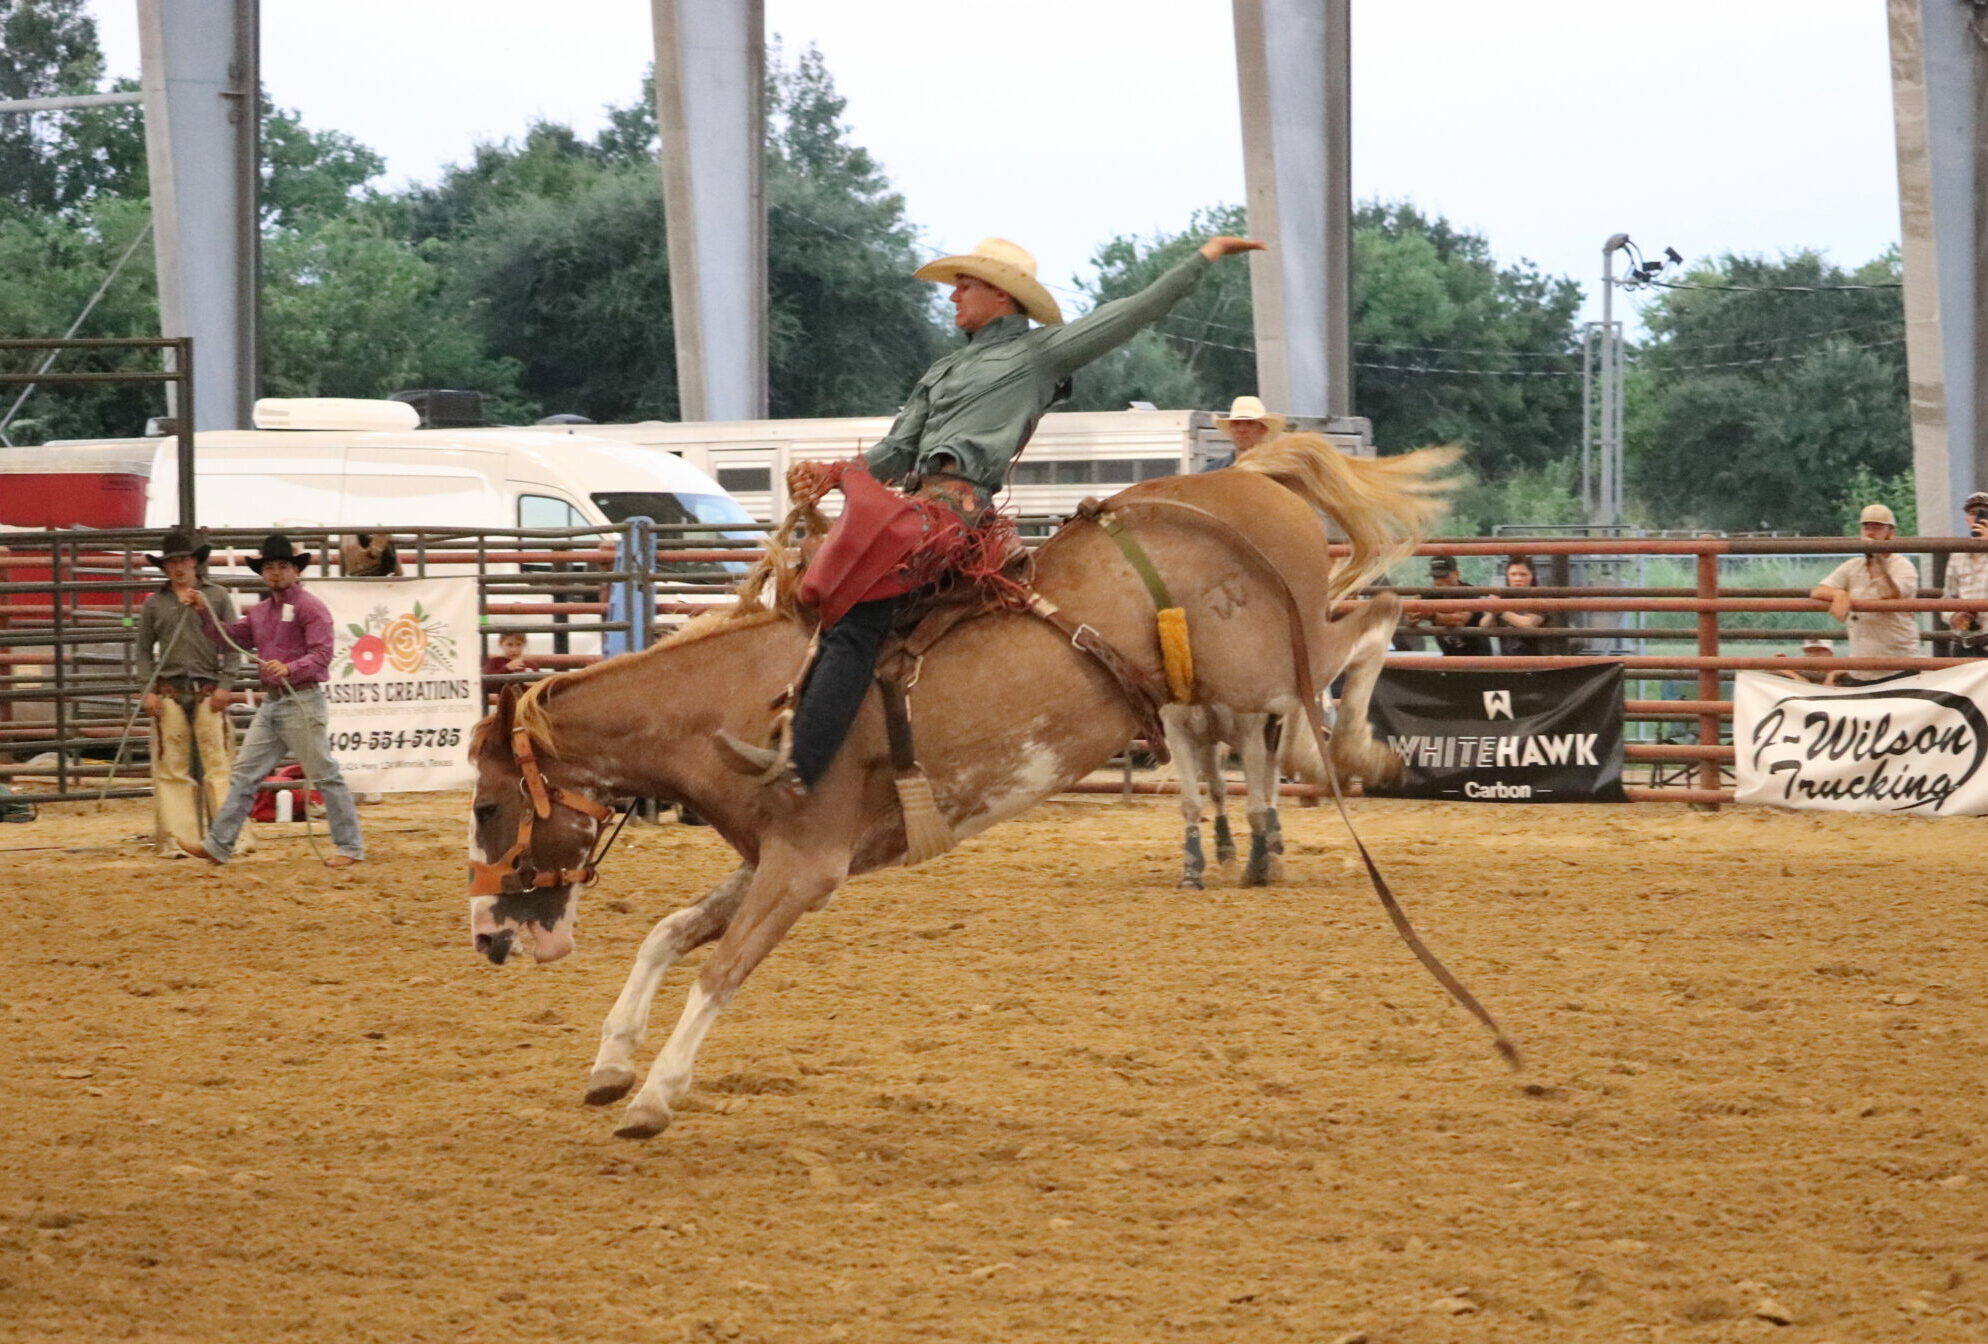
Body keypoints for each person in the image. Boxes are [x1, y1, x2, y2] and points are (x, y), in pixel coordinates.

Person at [723, 232, 1267, 793]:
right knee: (816, 587)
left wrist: (1203, 259)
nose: (953, 296)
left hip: (953, 512)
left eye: (966, 285)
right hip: (916, 508)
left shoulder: (1039, 353)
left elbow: (1131, 313)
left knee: (855, 614)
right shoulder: (943, 370)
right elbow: (895, 452)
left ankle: (802, 766)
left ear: (1003, 296)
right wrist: (834, 471)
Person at [178, 534, 365, 868]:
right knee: (244, 775)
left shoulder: (311, 607)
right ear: (262, 572)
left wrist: (290, 668)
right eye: (270, 567)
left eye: (282, 566)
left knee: (324, 773)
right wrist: (205, 614)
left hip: (301, 700)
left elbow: (322, 655)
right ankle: (219, 844)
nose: (276, 573)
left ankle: (350, 846)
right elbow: (230, 638)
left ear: (295, 570)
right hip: (276, 703)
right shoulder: (262, 612)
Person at [134, 530, 243, 858]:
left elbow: (233, 644)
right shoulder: (155, 604)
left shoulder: (218, 597)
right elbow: (142, 650)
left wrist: (226, 684)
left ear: (194, 562)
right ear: (165, 567)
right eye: (172, 562)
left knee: (218, 765)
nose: (178, 567)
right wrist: (148, 689)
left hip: (208, 691)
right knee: (173, 767)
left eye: (183, 560)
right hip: (169, 691)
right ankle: (177, 840)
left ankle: (228, 838)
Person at [1810, 504, 1921, 683]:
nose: (1870, 532)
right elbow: (1818, 590)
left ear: (1891, 533)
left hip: (1898, 665)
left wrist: (1876, 559)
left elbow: (1889, 594)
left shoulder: (1903, 566)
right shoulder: (1853, 565)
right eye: (1866, 527)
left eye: (1877, 527)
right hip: (1861, 666)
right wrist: (1839, 594)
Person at [1472, 555, 1554, 656]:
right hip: (1508, 661)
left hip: (1536, 660)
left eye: (1523, 574)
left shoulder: (1539, 597)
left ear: (1531, 575)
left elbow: (1528, 625)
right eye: (1513, 574)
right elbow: (1484, 626)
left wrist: (1500, 610)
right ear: (1507, 576)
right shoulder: (1502, 596)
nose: (1517, 578)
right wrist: (1492, 613)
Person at [1940, 491, 1988, 657]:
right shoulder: (1957, 555)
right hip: (1964, 639)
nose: (1977, 518)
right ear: (1966, 518)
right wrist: (1954, 616)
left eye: (1983, 513)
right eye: (1972, 513)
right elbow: (1948, 597)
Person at [1427, 555, 1490, 656]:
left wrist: (1431, 614)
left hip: (1477, 658)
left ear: (1456, 574)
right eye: (1435, 577)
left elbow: (1459, 620)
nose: (1439, 581)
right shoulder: (1430, 593)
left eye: (1444, 576)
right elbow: (1411, 615)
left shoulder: (1469, 592)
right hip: (1449, 658)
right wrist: (1415, 614)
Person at [1202, 395, 1286, 470]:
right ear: (1230, 429)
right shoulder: (1212, 470)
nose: (1241, 429)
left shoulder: (1277, 470)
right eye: (1236, 423)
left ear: (1263, 429)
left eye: (1250, 423)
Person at [1775, 636, 1842, 686]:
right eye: (1810, 651)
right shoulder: (1803, 663)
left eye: (1819, 650)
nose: (1814, 654)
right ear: (1805, 653)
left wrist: (1831, 675)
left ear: (1830, 653)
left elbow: (1849, 668)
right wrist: (1796, 676)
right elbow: (1776, 661)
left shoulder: (1834, 664)